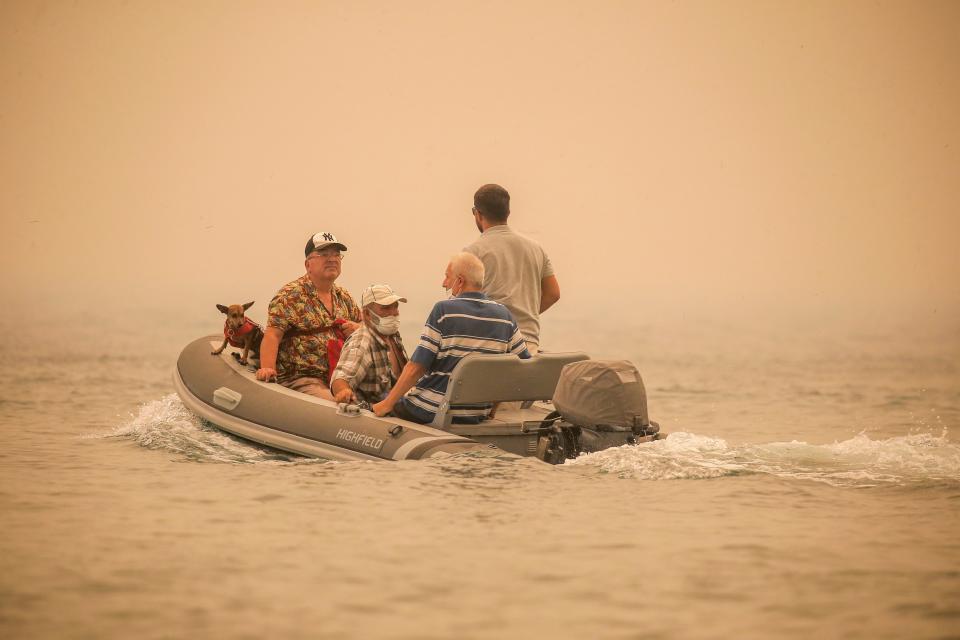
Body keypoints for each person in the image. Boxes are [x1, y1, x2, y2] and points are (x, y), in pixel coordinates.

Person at [372, 252, 530, 425]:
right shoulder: (504, 316)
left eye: (447, 277)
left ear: (460, 281)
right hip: (476, 414)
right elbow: (519, 368)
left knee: (380, 398)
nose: (444, 283)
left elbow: (416, 367)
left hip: (432, 410)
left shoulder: (444, 311)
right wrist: (492, 408)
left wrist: (386, 405)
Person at [256, 232, 361, 400]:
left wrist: (358, 328)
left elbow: (365, 327)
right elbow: (272, 335)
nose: (332, 259)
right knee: (339, 406)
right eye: (324, 254)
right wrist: (267, 369)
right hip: (303, 379)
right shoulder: (290, 295)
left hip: (340, 378)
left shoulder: (344, 297)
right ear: (308, 265)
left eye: (336, 254)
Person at [464, 183, 560, 354]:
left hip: (488, 343)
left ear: (477, 213)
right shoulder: (536, 249)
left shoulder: (472, 253)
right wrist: (525, 312)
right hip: (528, 343)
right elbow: (553, 293)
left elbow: (463, 303)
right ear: (508, 212)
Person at [329, 284, 409, 405]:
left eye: (395, 306)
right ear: (367, 314)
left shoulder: (393, 335)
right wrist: (343, 391)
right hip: (374, 416)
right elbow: (341, 377)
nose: (394, 313)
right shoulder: (362, 341)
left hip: (397, 406)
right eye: (386, 308)